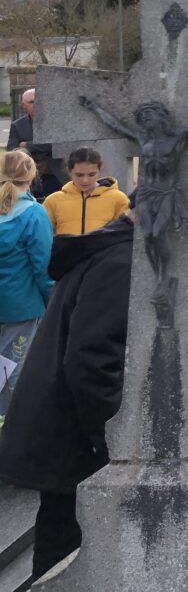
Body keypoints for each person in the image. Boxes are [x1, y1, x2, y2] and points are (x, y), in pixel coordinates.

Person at [0, 213, 132, 586]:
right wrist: (110, 438)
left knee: (60, 530)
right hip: (74, 437)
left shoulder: (112, 250)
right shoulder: (122, 261)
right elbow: (91, 359)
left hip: (64, 430)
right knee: (63, 544)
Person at [0, 151, 54, 416]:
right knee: (13, 370)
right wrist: (52, 301)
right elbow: (44, 267)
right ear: (31, 177)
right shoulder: (34, 214)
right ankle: (11, 423)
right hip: (21, 305)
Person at [41, 147, 130, 236]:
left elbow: (125, 234)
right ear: (69, 171)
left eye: (91, 175)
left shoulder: (118, 199)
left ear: (99, 170)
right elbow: (43, 236)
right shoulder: (53, 201)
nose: (85, 180)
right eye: (79, 175)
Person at [6, 89, 61, 200]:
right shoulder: (17, 125)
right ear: (23, 105)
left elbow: (56, 144)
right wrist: (44, 147)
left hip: (56, 175)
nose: (36, 105)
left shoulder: (56, 122)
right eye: (31, 102)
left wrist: (27, 145)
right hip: (30, 177)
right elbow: (13, 151)